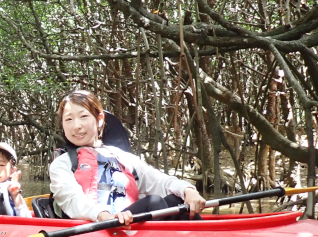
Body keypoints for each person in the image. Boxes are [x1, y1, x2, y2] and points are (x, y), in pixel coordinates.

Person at [50, 90, 206, 224]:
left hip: (127, 223)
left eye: (83, 116)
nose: (76, 125)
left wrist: (188, 190)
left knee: (176, 201)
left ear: (99, 120)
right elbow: (72, 199)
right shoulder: (63, 164)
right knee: (154, 202)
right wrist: (104, 216)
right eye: (69, 119)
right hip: (98, 227)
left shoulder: (122, 158)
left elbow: (161, 181)